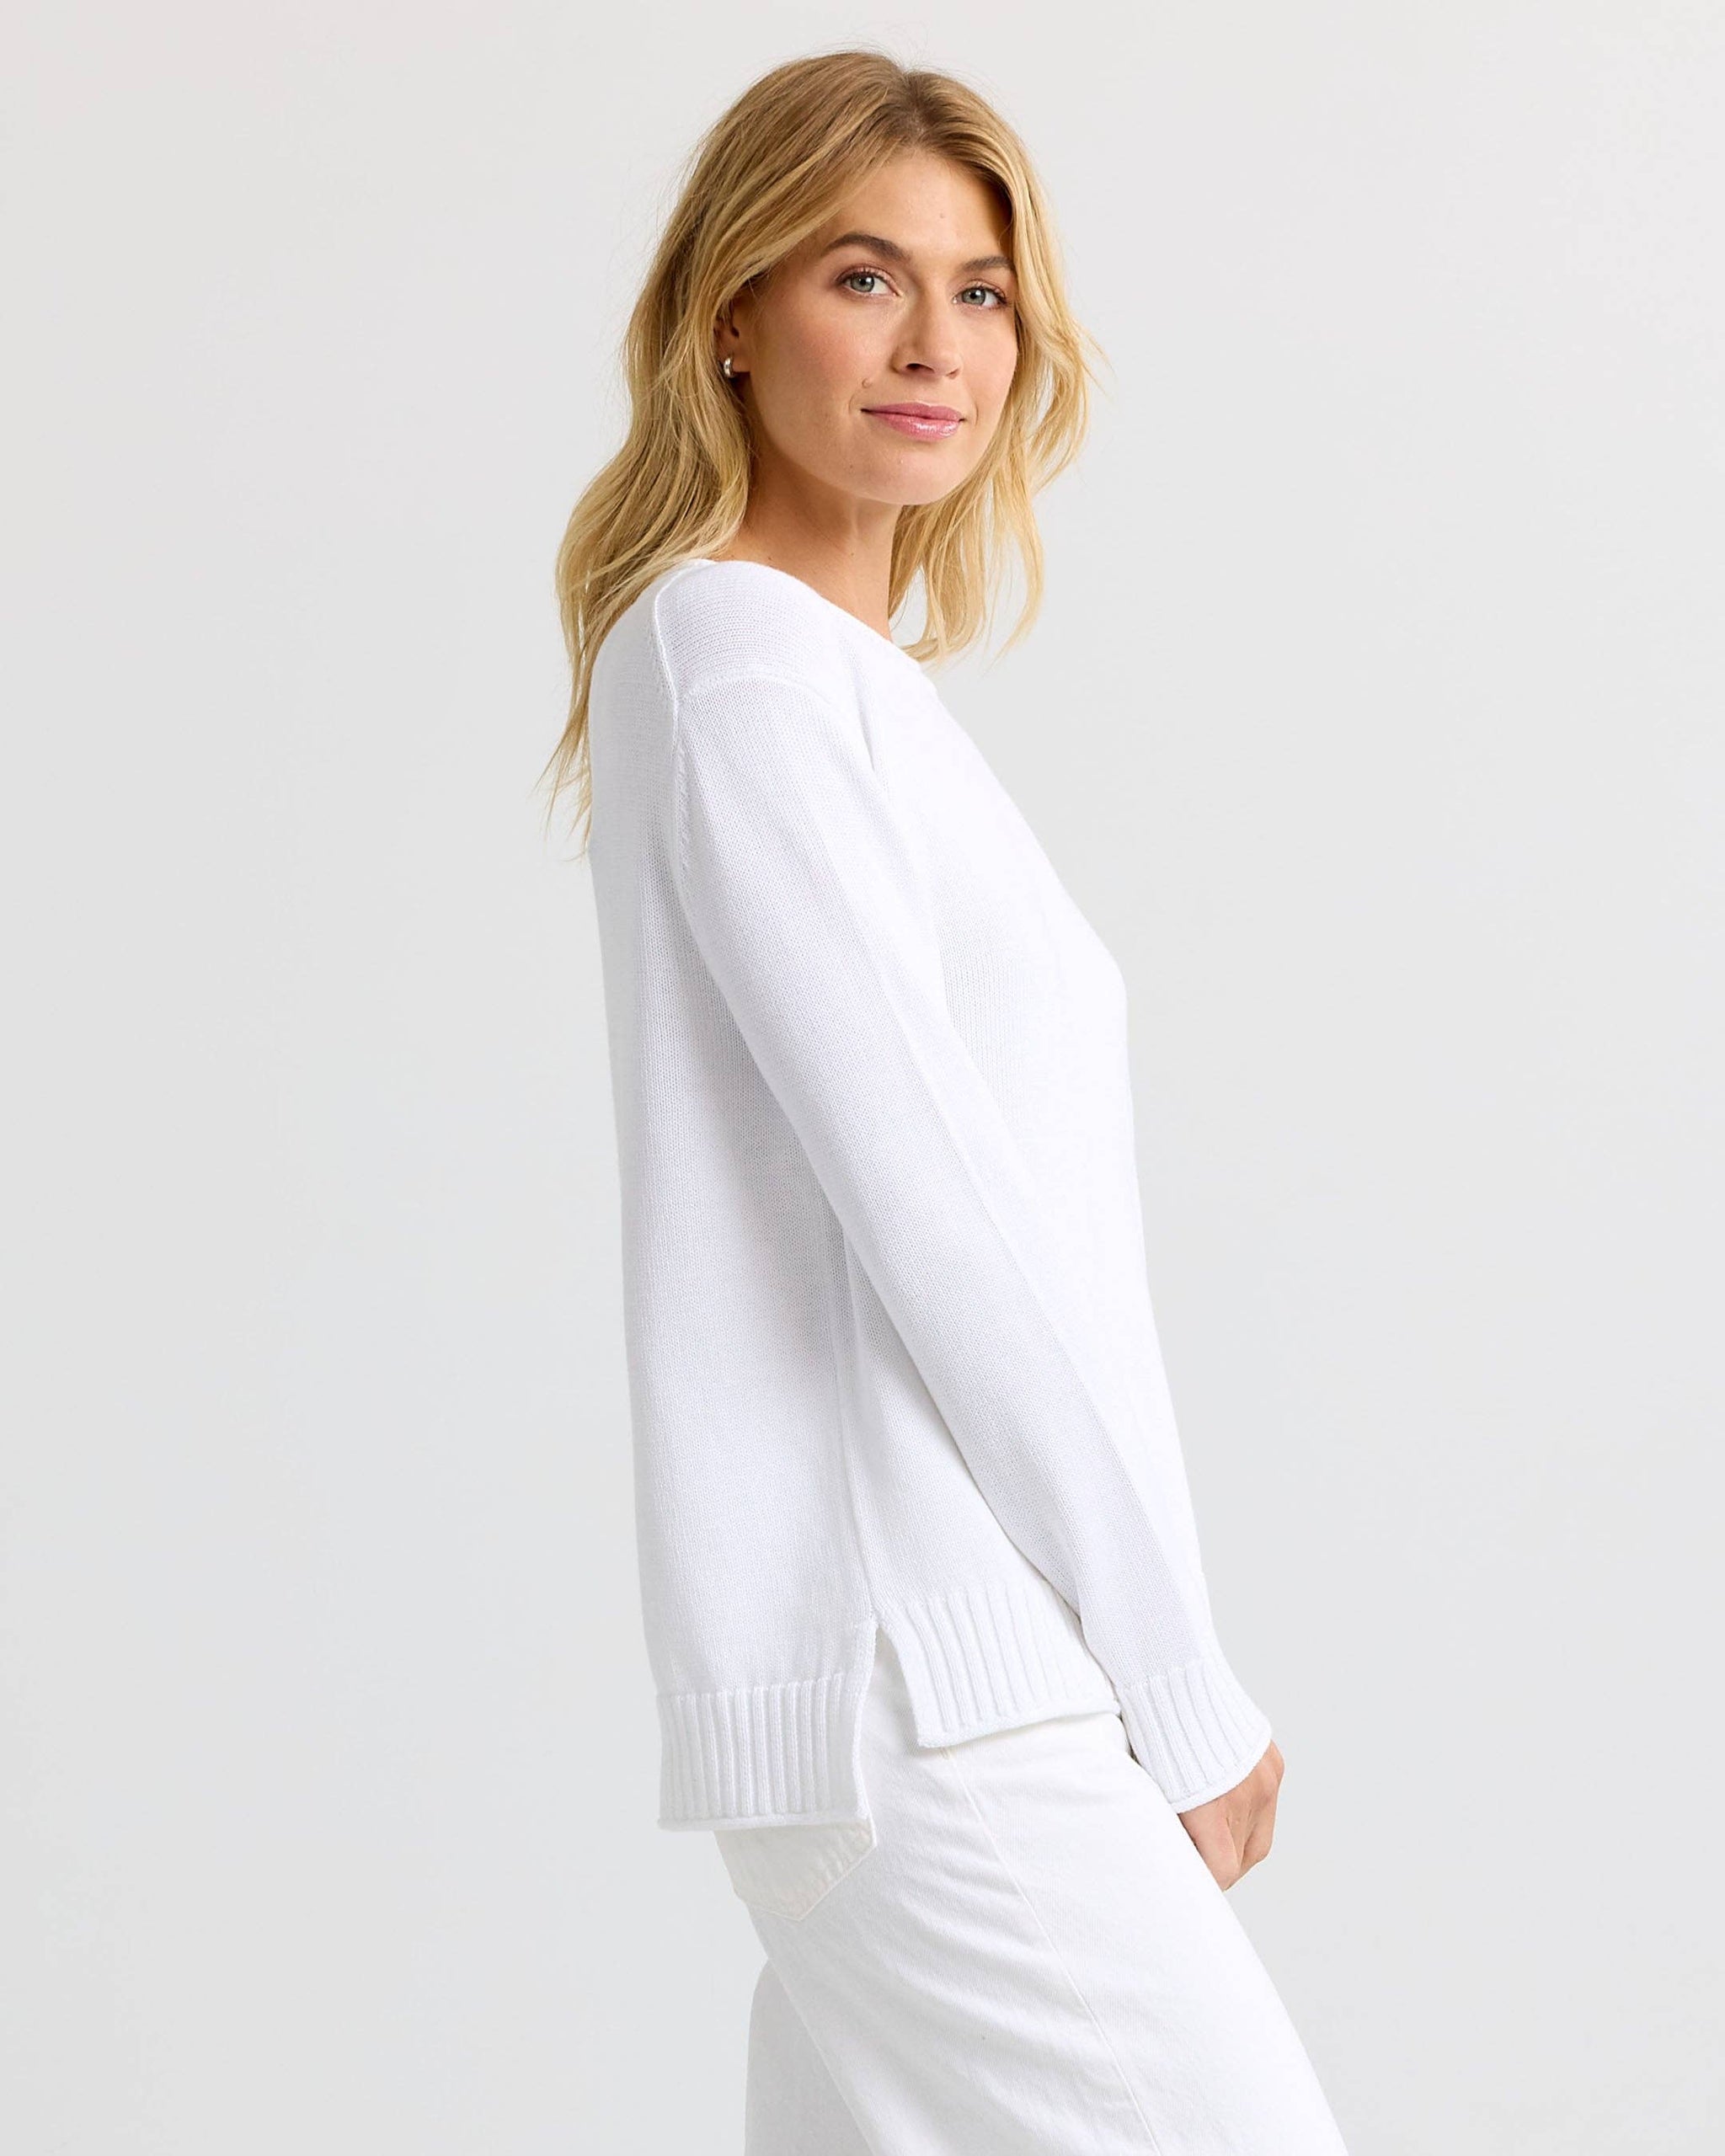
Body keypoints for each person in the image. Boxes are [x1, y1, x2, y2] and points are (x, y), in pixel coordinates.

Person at [546, 46, 1352, 2154]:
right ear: (731, 314)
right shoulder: (736, 661)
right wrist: (1173, 1675)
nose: (935, 344)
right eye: (862, 276)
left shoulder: (832, 690)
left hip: (924, 1684)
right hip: (935, 1688)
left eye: (979, 291)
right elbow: (941, 1220)